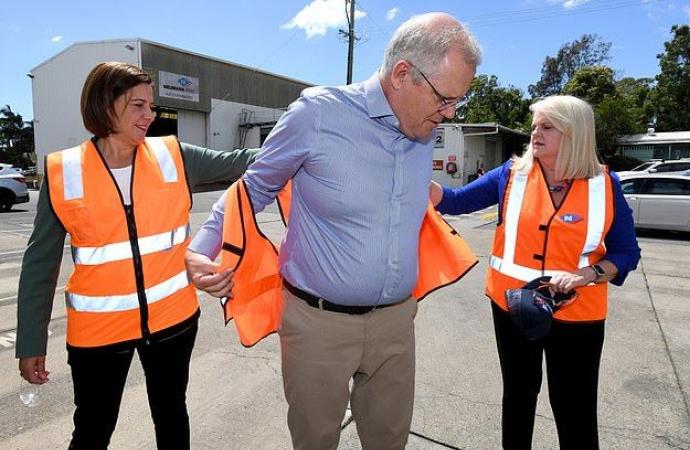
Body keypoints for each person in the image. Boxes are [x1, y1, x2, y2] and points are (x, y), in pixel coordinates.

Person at [185, 13, 481, 450]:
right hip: (316, 324)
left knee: (389, 442)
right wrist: (201, 249)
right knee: (315, 442)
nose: (450, 113)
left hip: (397, 323)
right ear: (403, 74)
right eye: (444, 99)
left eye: (460, 100)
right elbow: (253, 186)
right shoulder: (318, 115)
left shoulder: (424, 126)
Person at [15, 62, 257, 450]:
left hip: (174, 321)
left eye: (152, 106)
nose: (150, 115)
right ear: (104, 105)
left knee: (172, 416)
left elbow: (242, 163)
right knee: (92, 430)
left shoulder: (173, 154)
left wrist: (305, 139)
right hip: (98, 333)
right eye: (138, 106)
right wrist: (31, 341)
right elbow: (39, 264)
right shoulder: (64, 170)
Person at [430, 95, 641, 449]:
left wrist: (588, 274)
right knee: (518, 398)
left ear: (573, 133)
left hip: (580, 316)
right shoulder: (510, 175)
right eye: (534, 127)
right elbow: (455, 201)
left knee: (575, 409)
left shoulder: (606, 185)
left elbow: (626, 252)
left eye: (546, 126)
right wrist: (421, 184)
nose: (535, 134)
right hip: (513, 308)